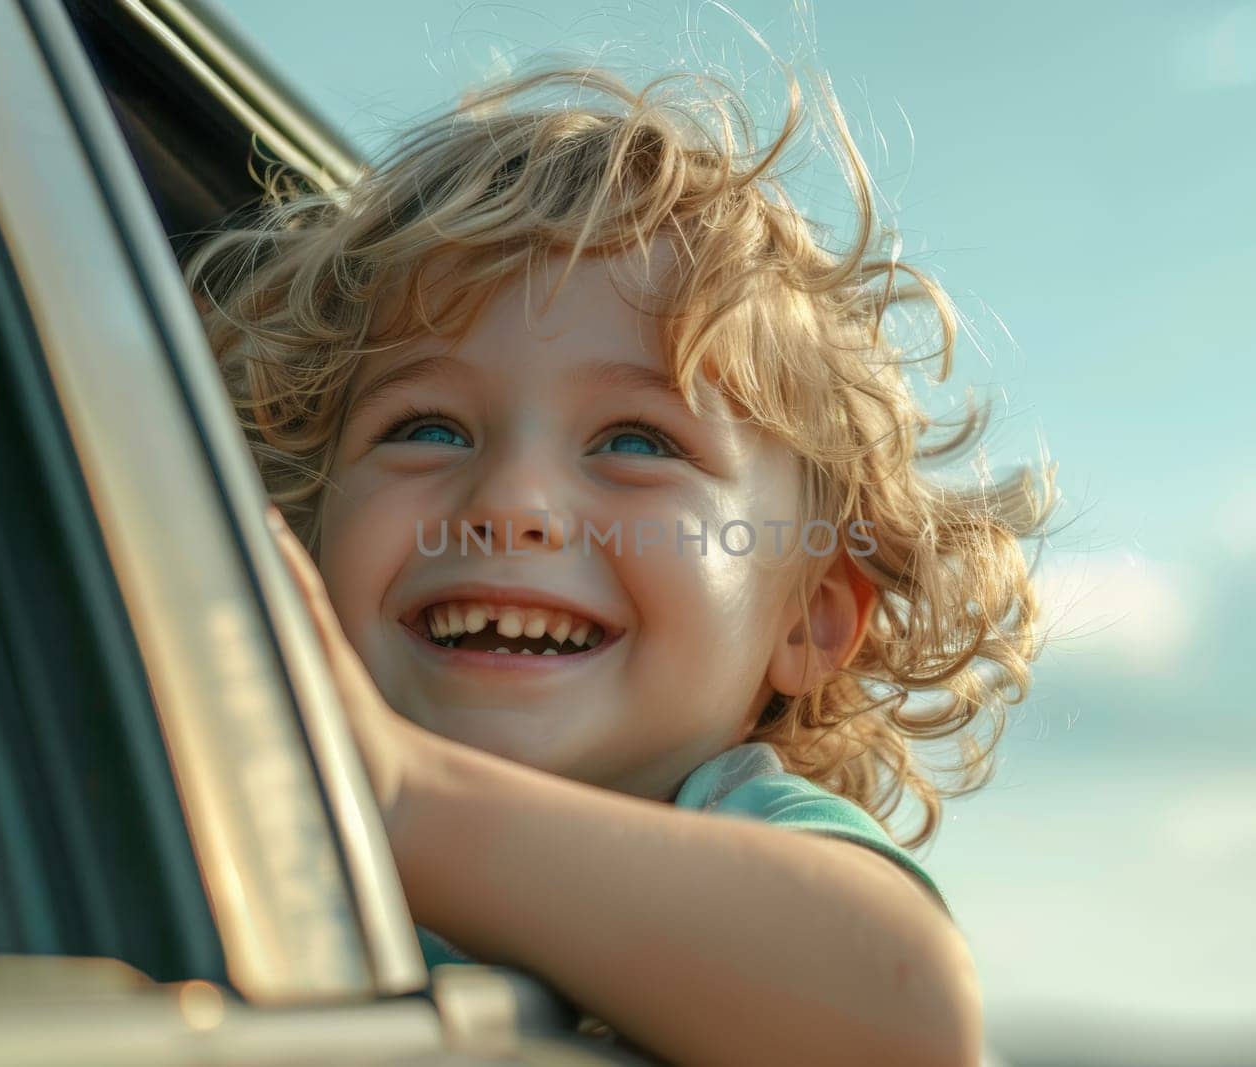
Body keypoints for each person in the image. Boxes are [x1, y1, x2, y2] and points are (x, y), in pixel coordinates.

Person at [188, 60, 1056, 1065]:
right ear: (308, 538)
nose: (511, 502)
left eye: (636, 443)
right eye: (425, 426)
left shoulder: (741, 818)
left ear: (806, 619)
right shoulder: (205, 817)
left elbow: (902, 1013)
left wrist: (392, 800)